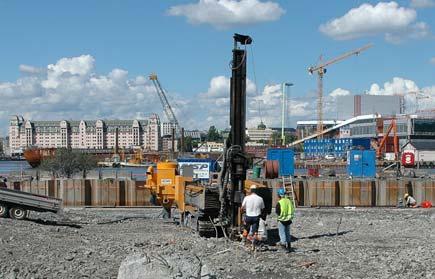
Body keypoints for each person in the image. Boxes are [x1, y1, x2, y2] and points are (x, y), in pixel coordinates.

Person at [276, 188, 295, 253]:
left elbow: (277, 212)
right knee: (287, 232)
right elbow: (292, 209)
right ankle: (289, 246)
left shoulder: (279, 202)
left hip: (282, 220)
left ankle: (284, 246)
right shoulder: (289, 201)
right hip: (289, 219)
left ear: (278, 195)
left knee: (282, 233)